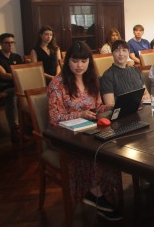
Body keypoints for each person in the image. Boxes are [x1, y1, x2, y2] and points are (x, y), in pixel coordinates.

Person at [48, 41, 122, 221]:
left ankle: (104, 192)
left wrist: (110, 107)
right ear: (67, 61)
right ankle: (94, 193)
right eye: (75, 61)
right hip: (67, 138)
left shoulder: (91, 80)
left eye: (84, 61)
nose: (79, 65)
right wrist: (79, 113)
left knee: (112, 151)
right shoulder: (57, 84)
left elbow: (96, 107)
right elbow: (54, 118)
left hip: (89, 132)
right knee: (95, 154)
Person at [100, 40, 150, 106]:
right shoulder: (108, 76)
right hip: (123, 114)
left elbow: (146, 94)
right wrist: (133, 102)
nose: (121, 54)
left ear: (128, 52)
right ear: (112, 53)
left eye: (124, 50)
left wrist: (145, 97)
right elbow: (109, 104)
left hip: (142, 108)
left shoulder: (135, 70)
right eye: (117, 51)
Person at [0, 33, 24, 143]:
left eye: (12, 42)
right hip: (1, 87)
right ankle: (14, 129)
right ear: (0, 44)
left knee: (31, 91)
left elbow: (22, 72)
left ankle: (32, 126)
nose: (10, 45)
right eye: (7, 43)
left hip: (15, 87)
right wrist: (20, 76)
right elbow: (3, 75)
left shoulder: (17, 57)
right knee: (12, 96)